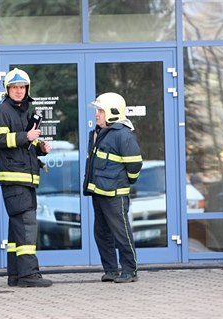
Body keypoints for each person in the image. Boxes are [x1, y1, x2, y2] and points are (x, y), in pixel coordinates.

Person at [0, 68, 53, 288]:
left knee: (18, 230)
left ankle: (16, 275)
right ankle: (29, 275)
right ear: (8, 90)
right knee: (26, 226)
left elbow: (26, 146)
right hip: (14, 180)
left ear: (27, 89)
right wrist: (25, 136)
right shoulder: (2, 111)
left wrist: (41, 147)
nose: (18, 91)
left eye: (22, 87)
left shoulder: (24, 112)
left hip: (25, 179)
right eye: (14, 87)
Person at [82, 92, 143, 283]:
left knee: (121, 233)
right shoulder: (99, 133)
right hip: (99, 192)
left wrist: (126, 181)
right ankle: (110, 270)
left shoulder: (123, 135)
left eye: (100, 111)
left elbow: (134, 165)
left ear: (112, 112)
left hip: (115, 195)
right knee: (101, 234)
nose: (97, 114)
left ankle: (129, 270)